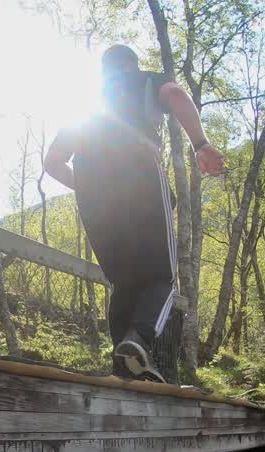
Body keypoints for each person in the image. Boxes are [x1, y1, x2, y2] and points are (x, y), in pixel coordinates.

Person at [44, 44, 225, 383]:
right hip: (138, 169)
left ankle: (124, 369)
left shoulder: (86, 104)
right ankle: (139, 339)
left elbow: (52, 163)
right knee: (161, 278)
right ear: (131, 64)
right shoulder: (143, 80)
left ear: (103, 70)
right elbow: (174, 94)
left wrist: (86, 186)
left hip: (92, 189)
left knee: (124, 283)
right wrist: (200, 144)